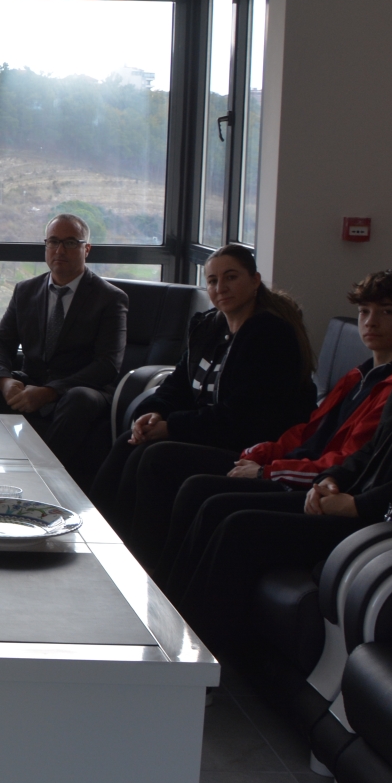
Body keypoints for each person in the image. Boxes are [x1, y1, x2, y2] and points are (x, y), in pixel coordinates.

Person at [171, 263, 392, 661]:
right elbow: (370, 451)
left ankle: (196, 666)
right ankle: (170, 633)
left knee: (240, 526)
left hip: (391, 526)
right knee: (217, 504)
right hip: (353, 502)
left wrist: (357, 504)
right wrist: (331, 481)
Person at [153, 269, 392, 589]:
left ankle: (181, 603)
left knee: (218, 508)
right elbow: (309, 432)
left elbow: (347, 460)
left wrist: (266, 472)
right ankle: (163, 591)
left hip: (322, 489)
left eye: (387, 312)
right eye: (365, 311)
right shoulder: (359, 375)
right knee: (194, 486)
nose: (371, 322)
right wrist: (261, 454)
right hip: (297, 470)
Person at [92, 243, 316, 570]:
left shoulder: (271, 335)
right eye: (212, 280)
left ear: (255, 281)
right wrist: (154, 413)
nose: (220, 287)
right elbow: (178, 384)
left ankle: (142, 564)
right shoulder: (210, 326)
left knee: (156, 457)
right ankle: (98, 541)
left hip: (251, 447)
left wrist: (172, 427)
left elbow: (242, 417)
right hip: (212, 432)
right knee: (131, 442)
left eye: (231, 277)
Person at [0, 213, 128, 483]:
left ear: (87, 249)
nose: (59, 250)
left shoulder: (110, 298)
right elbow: (0, 343)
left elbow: (107, 365)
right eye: (53, 242)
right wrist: (4, 381)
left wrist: (50, 392)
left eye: (70, 242)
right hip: (29, 383)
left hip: (77, 392)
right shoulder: (26, 290)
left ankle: (39, 478)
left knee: (81, 399)